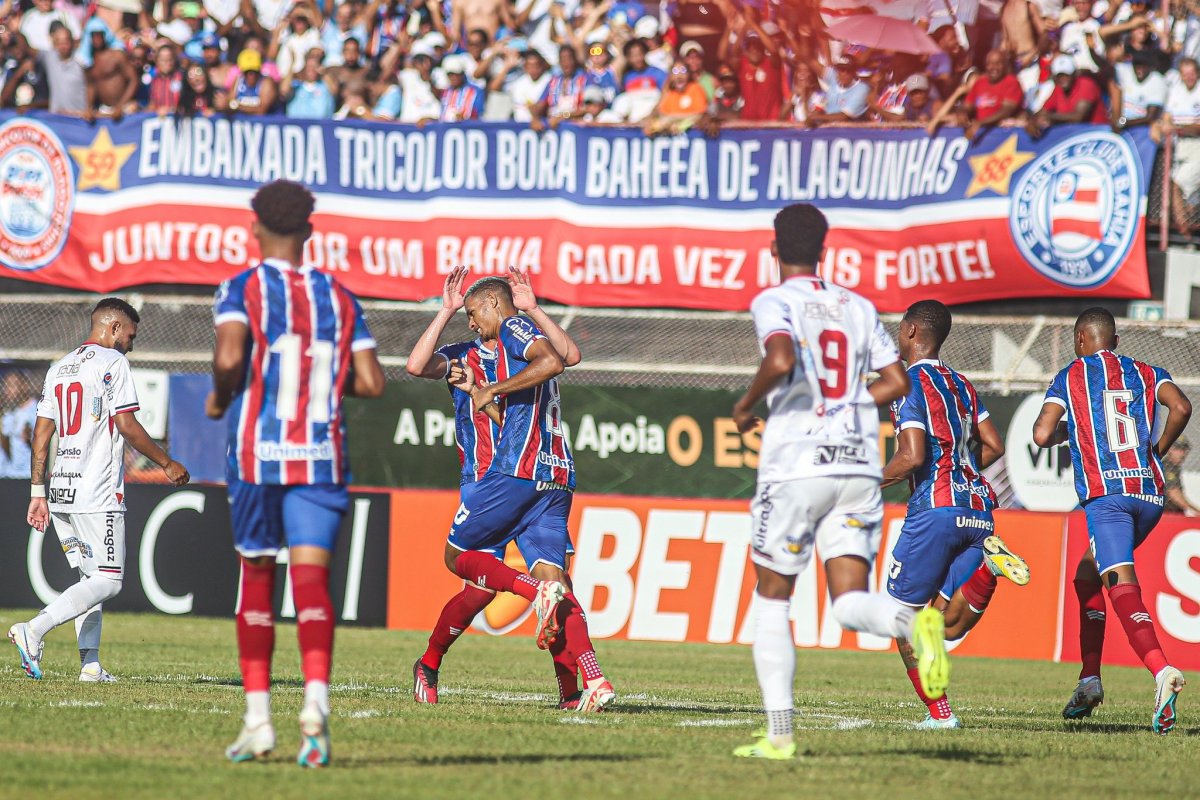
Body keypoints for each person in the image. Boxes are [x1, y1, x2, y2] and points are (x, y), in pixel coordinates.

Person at [730, 204, 945, 761]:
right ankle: (912, 621)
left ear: (773, 250)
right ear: (824, 250)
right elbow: (896, 381)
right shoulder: (857, 305)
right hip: (856, 464)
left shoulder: (774, 300)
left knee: (773, 598)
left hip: (798, 465)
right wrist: (847, 404)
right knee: (849, 602)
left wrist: (747, 405)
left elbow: (779, 360)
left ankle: (778, 735)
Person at [207, 180, 385, 766]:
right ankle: (315, 704)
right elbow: (372, 382)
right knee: (311, 584)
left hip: (259, 454)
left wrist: (219, 396)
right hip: (321, 456)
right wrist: (323, 382)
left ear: (254, 228)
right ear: (309, 232)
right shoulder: (338, 296)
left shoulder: (243, 288)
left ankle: (258, 720)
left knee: (257, 577)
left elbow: (231, 357)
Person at [405, 266, 594, 710]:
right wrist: (446, 310)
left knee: (556, 581)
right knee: (480, 591)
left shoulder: (520, 345)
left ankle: (572, 690)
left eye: (471, 313)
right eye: (465, 316)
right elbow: (415, 366)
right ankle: (429, 664)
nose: (470, 323)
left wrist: (531, 308)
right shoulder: (463, 355)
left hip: (525, 474)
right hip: (484, 479)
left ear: (494, 307)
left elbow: (569, 355)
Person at [9, 299, 190, 683]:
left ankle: (90, 666)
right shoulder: (113, 364)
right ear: (112, 327)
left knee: (90, 580)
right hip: (97, 490)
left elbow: (42, 436)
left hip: (62, 490)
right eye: (130, 335)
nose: (131, 344)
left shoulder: (59, 369)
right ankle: (34, 629)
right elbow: (126, 424)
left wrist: (37, 493)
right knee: (108, 580)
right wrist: (166, 462)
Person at [1032, 307, 1191, 733]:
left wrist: (1074, 432)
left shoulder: (1072, 374)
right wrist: (1155, 450)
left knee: (1120, 581)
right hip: (1149, 494)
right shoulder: (1146, 370)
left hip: (1109, 498)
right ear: (1114, 340)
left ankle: (1161, 673)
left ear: (1080, 339)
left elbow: (1042, 434)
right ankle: (1089, 680)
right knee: (1088, 576)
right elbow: (1181, 406)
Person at [881, 300, 1031, 729]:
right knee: (945, 624)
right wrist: (960, 468)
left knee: (903, 620)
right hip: (980, 510)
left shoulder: (907, 383)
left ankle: (941, 716)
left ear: (910, 331)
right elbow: (996, 446)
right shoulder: (960, 383)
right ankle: (987, 567)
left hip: (937, 509)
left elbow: (910, 458)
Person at [1162, 58, 1200, 244]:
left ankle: (1186, 236)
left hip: (1197, 148)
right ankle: (1187, 233)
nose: (1189, 77)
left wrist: (1178, 127)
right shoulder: (1176, 91)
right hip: (1180, 148)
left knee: (1176, 185)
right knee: (1186, 197)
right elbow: (1167, 117)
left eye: (1192, 73)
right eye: (1185, 74)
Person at [1027, 54, 1108, 137]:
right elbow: (1043, 111)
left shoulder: (1086, 85)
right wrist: (1032, 121)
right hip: (1075, 137)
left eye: (1066, 75)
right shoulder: (1058, 89)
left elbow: (1079, 117)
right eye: (1059, 76)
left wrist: (1050, 117)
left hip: (1098, 135)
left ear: (1074, 74)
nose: (1063, 79)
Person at [84, 18, 137, 120]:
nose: (97, 39)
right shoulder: (89, 60)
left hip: (124, 108)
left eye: (100, 35)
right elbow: (91, 86)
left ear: (105, 35)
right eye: (94, 36)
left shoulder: (117, 55)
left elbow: (133, 80)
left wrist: (121, 105)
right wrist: (89, 107)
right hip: (104, 109)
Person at [40, 22, 88, 118]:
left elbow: (92, 86)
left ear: (72, 42)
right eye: (59, 43)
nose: (63, 46)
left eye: (66, 42)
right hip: (56, 119)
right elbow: (27, 50)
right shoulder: (49, 57)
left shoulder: (81, 61)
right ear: (54, 44)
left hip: (78, 118)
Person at [1163, 438, 1200, 515]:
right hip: (1167, 514)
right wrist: (1194, 510)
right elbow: (1173, 493)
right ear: (1170, 449)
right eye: (1179, 449)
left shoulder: (1174, 467)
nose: (1183, 453)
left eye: (1184, 449)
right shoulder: (1167, 466)